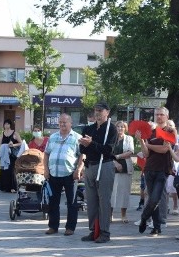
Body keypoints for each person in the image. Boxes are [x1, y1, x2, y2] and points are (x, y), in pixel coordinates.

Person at [75, 103, 117, 243]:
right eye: (96, 110)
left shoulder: (111, 129)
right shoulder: (89, 128)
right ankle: (94, 230)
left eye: (100, 110)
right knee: (91, 200)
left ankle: (105, 232)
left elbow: (108, 150)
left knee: (104, 200)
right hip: (90, 166)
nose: (97, 113)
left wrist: (92, 144)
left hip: (104, 166)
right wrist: (86, 144)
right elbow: (83, 149)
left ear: (107, 112)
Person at [43, 114, 81, 236]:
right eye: (60, 122)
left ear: (71, 123)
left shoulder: (77, 137)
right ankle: (53, 226)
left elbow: (82, 155)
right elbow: (46, 154)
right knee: (53, 201)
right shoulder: (53, 137)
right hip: (54, 173)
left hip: (70, 174)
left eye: (65, 122)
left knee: (72, 202)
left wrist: (79, 170)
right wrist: (46, 169)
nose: (62, 124)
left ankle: (70, 227)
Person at [138, 108, 174, 236]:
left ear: (167, 116)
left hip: (162, 169)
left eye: (162, 114)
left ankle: (143, 217)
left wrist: (149, 145)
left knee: (154, 198)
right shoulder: (150, 132)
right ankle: (156, 227)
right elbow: (146, 153)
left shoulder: (170, 131)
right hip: (149, 168)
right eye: (157, 114)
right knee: (154, 199)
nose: (159, 117)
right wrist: (142, 141)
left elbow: (164, 149)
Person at [111, 120, 135, 224]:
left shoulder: (129, 138)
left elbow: (130, 152)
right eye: (118, 127)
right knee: (111, 192)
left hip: (125, 167)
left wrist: (118, 157)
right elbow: (107, 152)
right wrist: (115, 162)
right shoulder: (111, 138)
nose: (120, 129)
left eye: (122, 127)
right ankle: (109, 214)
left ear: (125, 128)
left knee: (124, 192)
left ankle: (123, 214)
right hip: (111, 167)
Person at [0, 120, 23, 193]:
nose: (6, 125)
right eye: (5, 124)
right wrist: (3, 146)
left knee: (11, 170)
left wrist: (13, 145)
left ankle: (13, 187)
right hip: (4, 154)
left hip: (12, 154)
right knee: (4, 170)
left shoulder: (15, 133)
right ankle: (4, 187)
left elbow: (21, 143)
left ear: (10, 125)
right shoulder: (2, 133)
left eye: (8, 124)